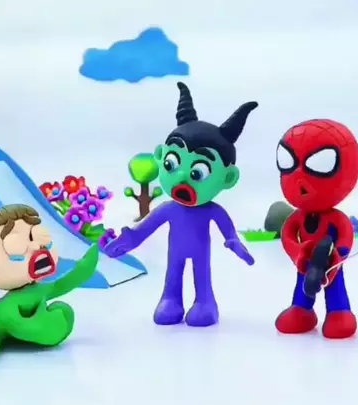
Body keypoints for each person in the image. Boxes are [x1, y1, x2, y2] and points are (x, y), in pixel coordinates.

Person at [104, 82, 256, 327]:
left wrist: (234, 242)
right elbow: (144, 229)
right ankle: (170, 300)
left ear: (228, 178)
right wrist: (129, 240)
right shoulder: (168, 209)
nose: (182, 177)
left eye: (198, 172)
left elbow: (228, 231)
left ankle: (205, 302)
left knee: (202, 275)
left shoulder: (212, 211)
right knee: (172, 274)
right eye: (172, 164)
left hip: (201, 252)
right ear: (160, 156)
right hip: (175, 251)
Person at [0, 204, 98, 359]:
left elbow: (64, 283)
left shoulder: (39, 288)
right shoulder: (8, 307)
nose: (36, 247)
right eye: (18, 245)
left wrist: (86, 266)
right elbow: (15, 322)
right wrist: (40, 327)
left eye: (40, 237)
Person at [274, 119, 358, 339]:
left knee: (335, 287)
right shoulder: (297, 218)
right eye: (289, 164)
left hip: (331, 264)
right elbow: (287, 234)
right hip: (305, 263)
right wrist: (298, 253)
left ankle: (339, 312)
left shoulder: (337, 219)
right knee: (302, 285)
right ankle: (301, 310)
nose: (299, 178)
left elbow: (345, 235)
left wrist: (338, 255)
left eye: (319, 165)